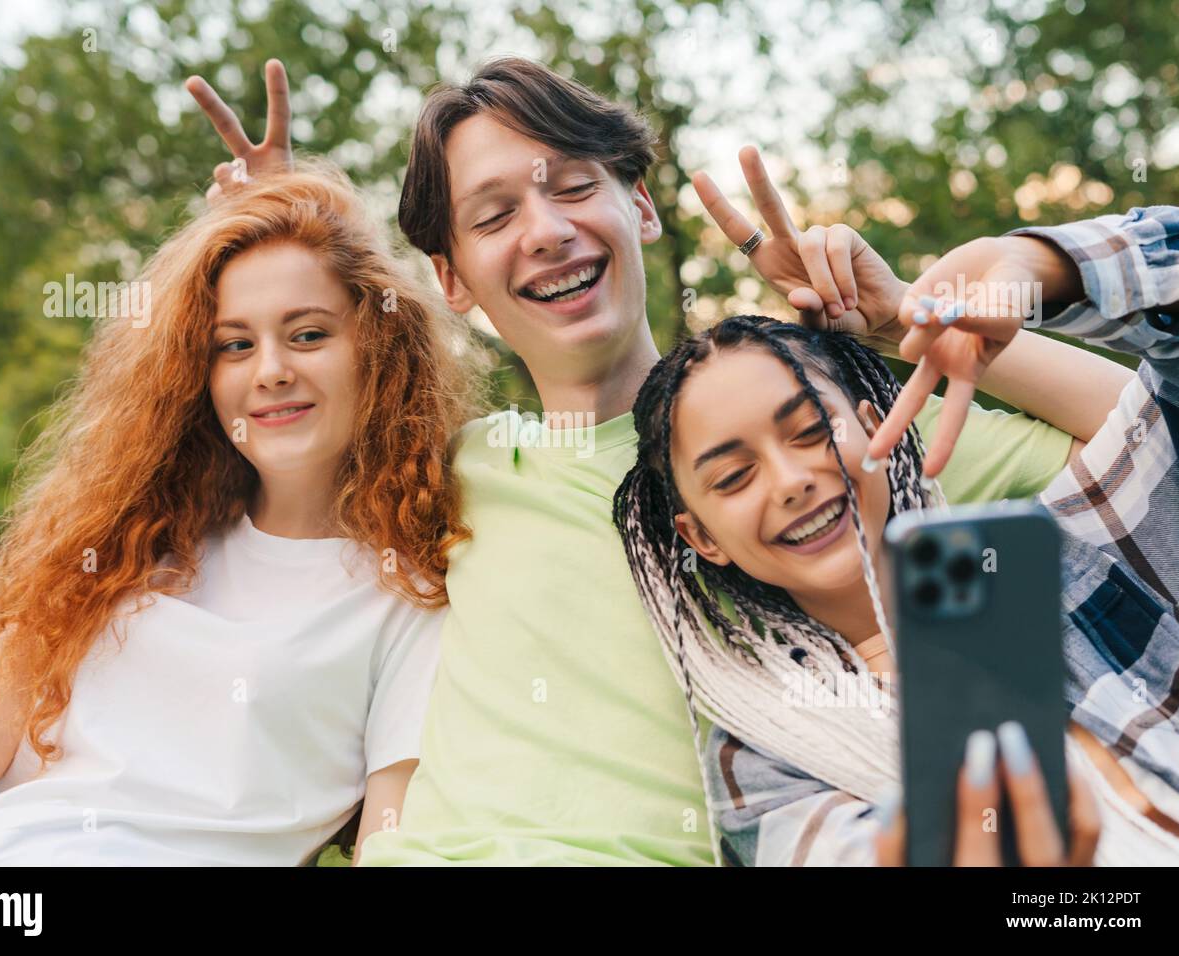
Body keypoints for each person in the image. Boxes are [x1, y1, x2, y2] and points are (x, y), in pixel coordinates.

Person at [187, 58, 1123, 865]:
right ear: (453, 279)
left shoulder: (818, 443)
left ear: (639, 204)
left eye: (570, 186)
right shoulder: (453, 470)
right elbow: (269, 433)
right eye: (495, 214)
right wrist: (294, 237)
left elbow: (1140, 439)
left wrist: (905, 316)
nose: (545, 229)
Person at [0, 160, 485, 866]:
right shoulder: (124, 539)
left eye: (308, 335)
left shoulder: (407, 599)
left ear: (377, 353)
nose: (269, 371)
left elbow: (392, 837)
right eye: (235, 345)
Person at [613, 205, 1179, 865]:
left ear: (873, 427)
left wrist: (1042, 269)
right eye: (734, 477)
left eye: (809, 431)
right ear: (701, 537)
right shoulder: (765, 753)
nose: (789, 481)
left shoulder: (1066, 552)